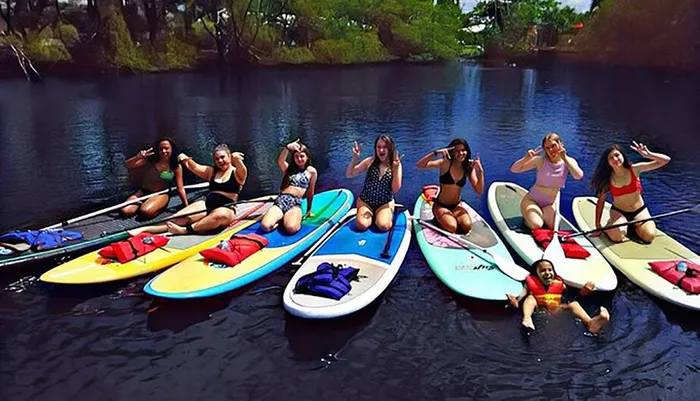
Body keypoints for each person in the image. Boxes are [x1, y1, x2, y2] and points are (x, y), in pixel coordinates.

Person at [128, 144, 247, 235]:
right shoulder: (211, 172)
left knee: (221, 215)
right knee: (177, 218)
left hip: (226, 209)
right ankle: (145, 230)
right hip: (206, 206)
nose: (220, 161)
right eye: (217, 159)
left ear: (229, 157)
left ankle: (184, 230)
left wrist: (238, 161)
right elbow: (194, 167)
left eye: (223, 157)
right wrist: (185, 159)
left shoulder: (237, 173)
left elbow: (243, 170)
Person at [590, 141, 670, 243]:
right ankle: (611, 225)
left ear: (622, 155)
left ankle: (633, 226)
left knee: (649, 236)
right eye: (611, 158)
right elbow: (600, 202)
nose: (615, 159)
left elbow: (665, 160)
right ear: (608, 163)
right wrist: (598, 225)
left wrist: (648, 154)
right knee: (617, 237)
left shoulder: (635, 169)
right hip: (619, 212)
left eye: (617, 155)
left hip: (639, 211)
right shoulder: (607, 179)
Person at [507, 259, 610, 334]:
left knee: (574, 304)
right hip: (539, 310)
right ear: (536, 273)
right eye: (543, 270)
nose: (547, 273)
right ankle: (527, 319)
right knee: (531, 298)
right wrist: (515, 303)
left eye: (550, 270)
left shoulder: (560, 283)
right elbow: (522, 295)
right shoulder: (529, 284)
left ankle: (590, 323)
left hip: (556, 310)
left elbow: (572, 296)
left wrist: (583, 292)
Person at [509, 133, 584, 230]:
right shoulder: (540, 160)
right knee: (537, 225)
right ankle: (527, 219)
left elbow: (578, 176)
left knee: (554, 226)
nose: (551, 150)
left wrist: (564, 158)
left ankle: (539, 215)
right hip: (532, 200)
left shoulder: (569, 162)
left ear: (560, 144)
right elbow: (514, 169)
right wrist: (526, 158)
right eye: (547, 148)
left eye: (553, 146)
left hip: (549, 204)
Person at [416, 138, 485, 233]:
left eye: (463, 150)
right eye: (457, 151)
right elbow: (420, 165)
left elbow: (479, 191)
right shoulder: (445, 163)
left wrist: (480, 171)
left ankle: (449, 219)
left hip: (456, 206)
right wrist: (435, 153)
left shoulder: (468, 167)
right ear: (452, 152)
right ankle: (438, 218)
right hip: (441, 205)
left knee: (467, 226)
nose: (461, 153)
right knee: (452, 227)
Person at [345, 135, 403, 232]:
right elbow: (349, 174)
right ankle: (371, 214)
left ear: (390, 149)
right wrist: (355, 158)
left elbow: (395, 189)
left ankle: (383, 213)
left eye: (384, 147)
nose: (381, 150)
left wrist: (396, 170)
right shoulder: (370, 161)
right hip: (366, 201)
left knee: (384, 226)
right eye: (379, 147)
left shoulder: (395, 165)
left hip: (384, 203)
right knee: (361, 225)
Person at [260, 139, 318, 235]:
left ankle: (287, 218)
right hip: (282, 200)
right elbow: (280, 161)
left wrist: (308, 210)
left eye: (302, 156)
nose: (299, 159)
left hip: (295, 203)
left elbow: (310, 192)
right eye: (296, 157)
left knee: (291, 229)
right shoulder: (289, 169)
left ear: (307, 157)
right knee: (265, 227)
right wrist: (287, 148)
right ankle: (280, 220)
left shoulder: (311, 171)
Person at [121, 137, 188, 219]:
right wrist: (137, 157)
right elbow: (127, 166)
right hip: (143, 192)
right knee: (125, 211)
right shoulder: (150, 160)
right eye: (161, 149)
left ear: (172, 149)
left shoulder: (176, 167)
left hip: (161, 194)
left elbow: (180, 188)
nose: (163, 151)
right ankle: (146, 204)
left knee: (145, 211)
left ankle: (155, 206)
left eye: (166, 148)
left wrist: (186, 205)